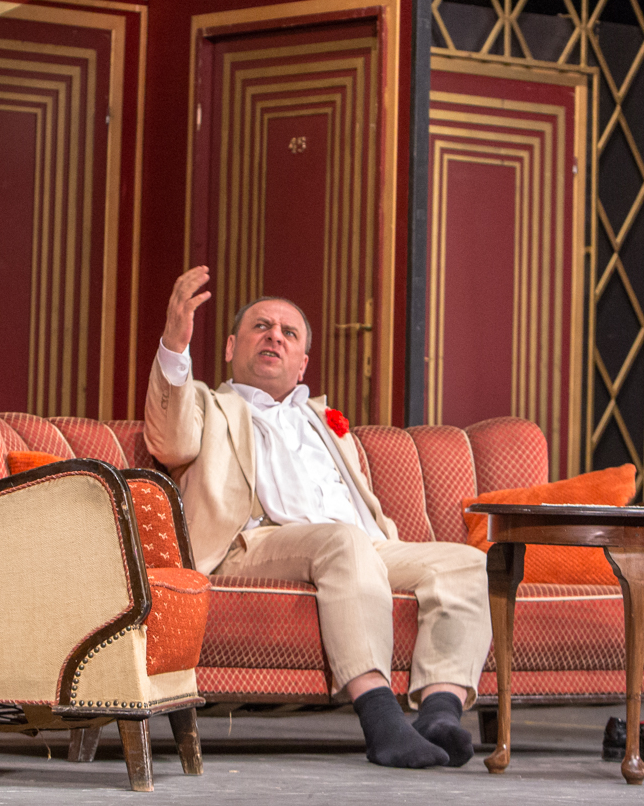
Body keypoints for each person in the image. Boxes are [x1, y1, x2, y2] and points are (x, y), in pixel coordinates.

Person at [145, 266, 493, 769]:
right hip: (257, 544)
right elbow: (170, 441)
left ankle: (440, 713)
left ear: (303, 363)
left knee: (466, 561)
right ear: (230, 347)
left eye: (289, 333)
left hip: (362, 546)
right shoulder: (207, 404)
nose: (274, 336)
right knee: (343, 541)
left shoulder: (324, 421)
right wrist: (174, 345)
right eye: (261, 327)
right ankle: (381, 721)